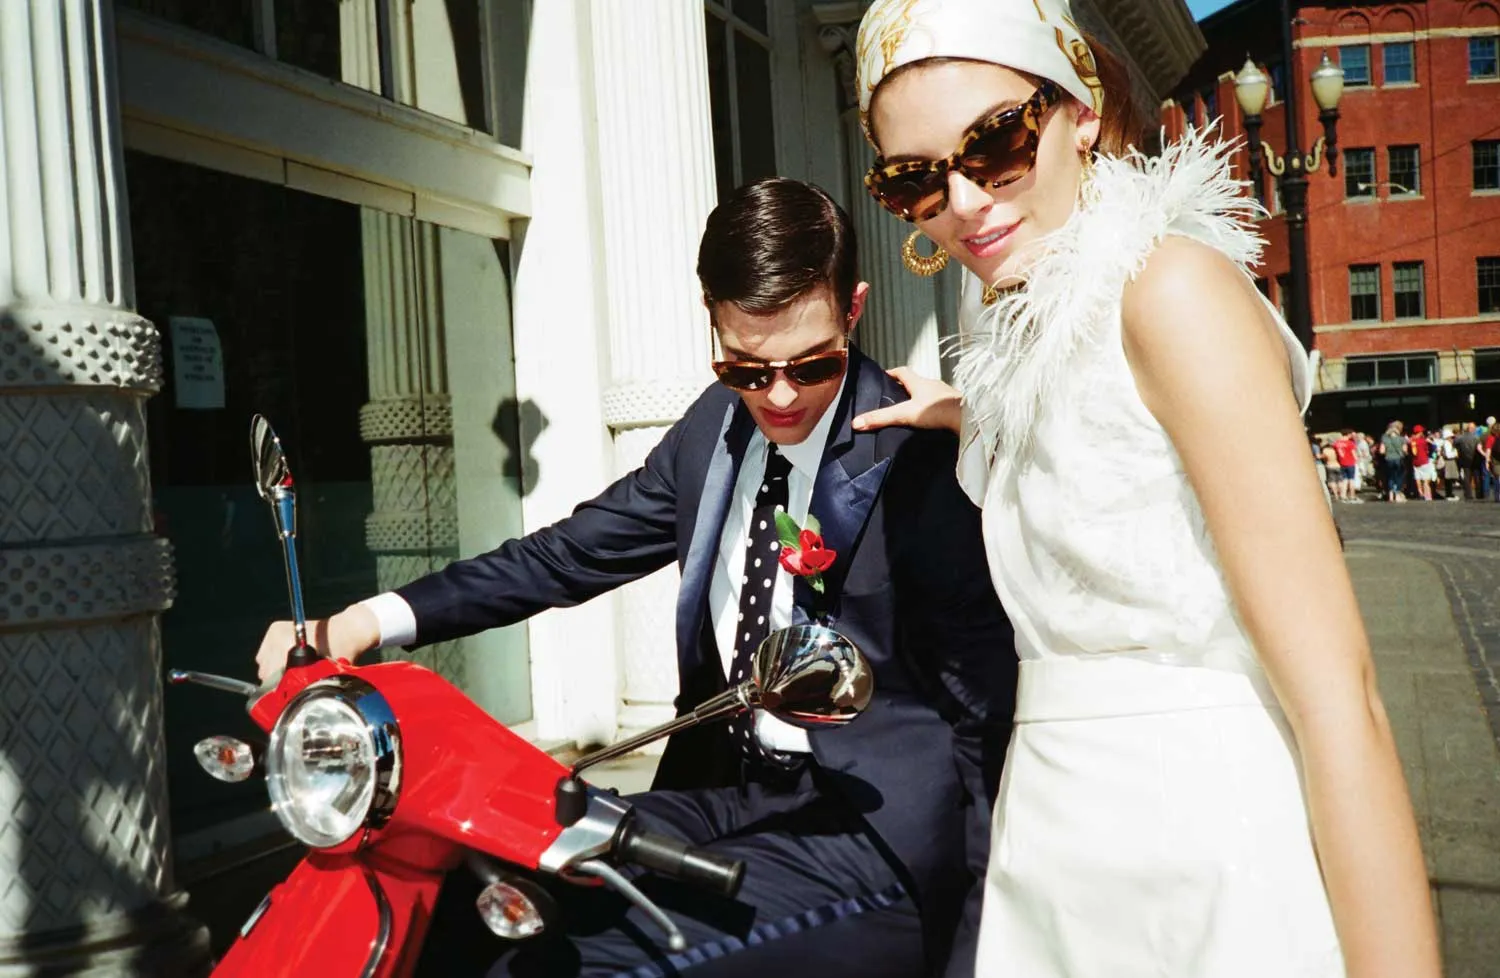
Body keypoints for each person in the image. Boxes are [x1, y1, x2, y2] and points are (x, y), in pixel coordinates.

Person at [254, 177, 1015, 978]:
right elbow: (565, 555)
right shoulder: (710, 429)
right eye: (748, 367)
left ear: (854, 309)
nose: (781, 395)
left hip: (872, 833)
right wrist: (362, 623)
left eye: (811, 364)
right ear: (710, 317)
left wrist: (979, 944)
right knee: (467, 910)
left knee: (581, 965)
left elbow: (984, 726)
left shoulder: (919, 462)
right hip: (728, 789)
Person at [847, 0, 1441, 975]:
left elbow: (1346, 703)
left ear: (1078, 111)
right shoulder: (1006, 309)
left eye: (996, 143)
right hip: (1052, 842)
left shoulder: (1172, 291)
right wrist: (959, 409)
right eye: (915, 180)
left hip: (1210, 851)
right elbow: (1094, 442)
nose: (965, 201)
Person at [1381, 420, 1407, 502]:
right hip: (1398, 459)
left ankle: (1391, 496)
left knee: (1390, 477)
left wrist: (1388, 452)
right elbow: (1405, 450)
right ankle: (1397, 495)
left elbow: (1381, 451)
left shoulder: (1384, 439)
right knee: (1399, 477)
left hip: (1388, 460)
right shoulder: (1402, 439)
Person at [1411, 423, 1434, 501]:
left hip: (1415, 461)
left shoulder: (1412, 441)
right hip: (1424, 461)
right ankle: (1427, 495)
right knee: (1426, 479)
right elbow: (1433, 447)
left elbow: (1413, 452)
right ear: (1420, 432)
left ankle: (1420, 493)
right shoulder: (1423, 441)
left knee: (1418, 478)